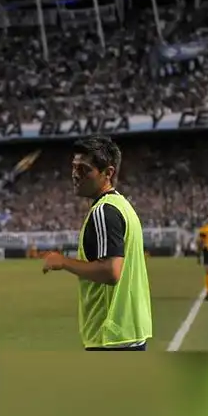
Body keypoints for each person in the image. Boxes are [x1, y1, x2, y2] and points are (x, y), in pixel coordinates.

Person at [40, 136, 153, 351]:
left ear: (108, 173)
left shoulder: (104, 210)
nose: (75, 175)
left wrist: (63, 262)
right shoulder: (122, 205)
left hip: (111, 334)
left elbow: (111, 271)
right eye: (73, 167)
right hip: (128, 330)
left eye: (83, 169)